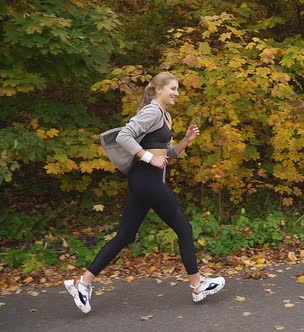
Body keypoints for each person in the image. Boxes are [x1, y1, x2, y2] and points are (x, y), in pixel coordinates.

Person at [64, 72, 225, 313]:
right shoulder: (152, 111)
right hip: (147, 179)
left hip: (144, 180)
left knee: (125, 236)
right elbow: (124, 135)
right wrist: (149, 158)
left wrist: (186, 141)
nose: (177, 93)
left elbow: (167, 155)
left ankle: (83, 282)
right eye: (172, 88)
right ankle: (197, 283)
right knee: (184, 228)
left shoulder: (165, 115)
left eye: (178, 89)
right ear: (158, 89)